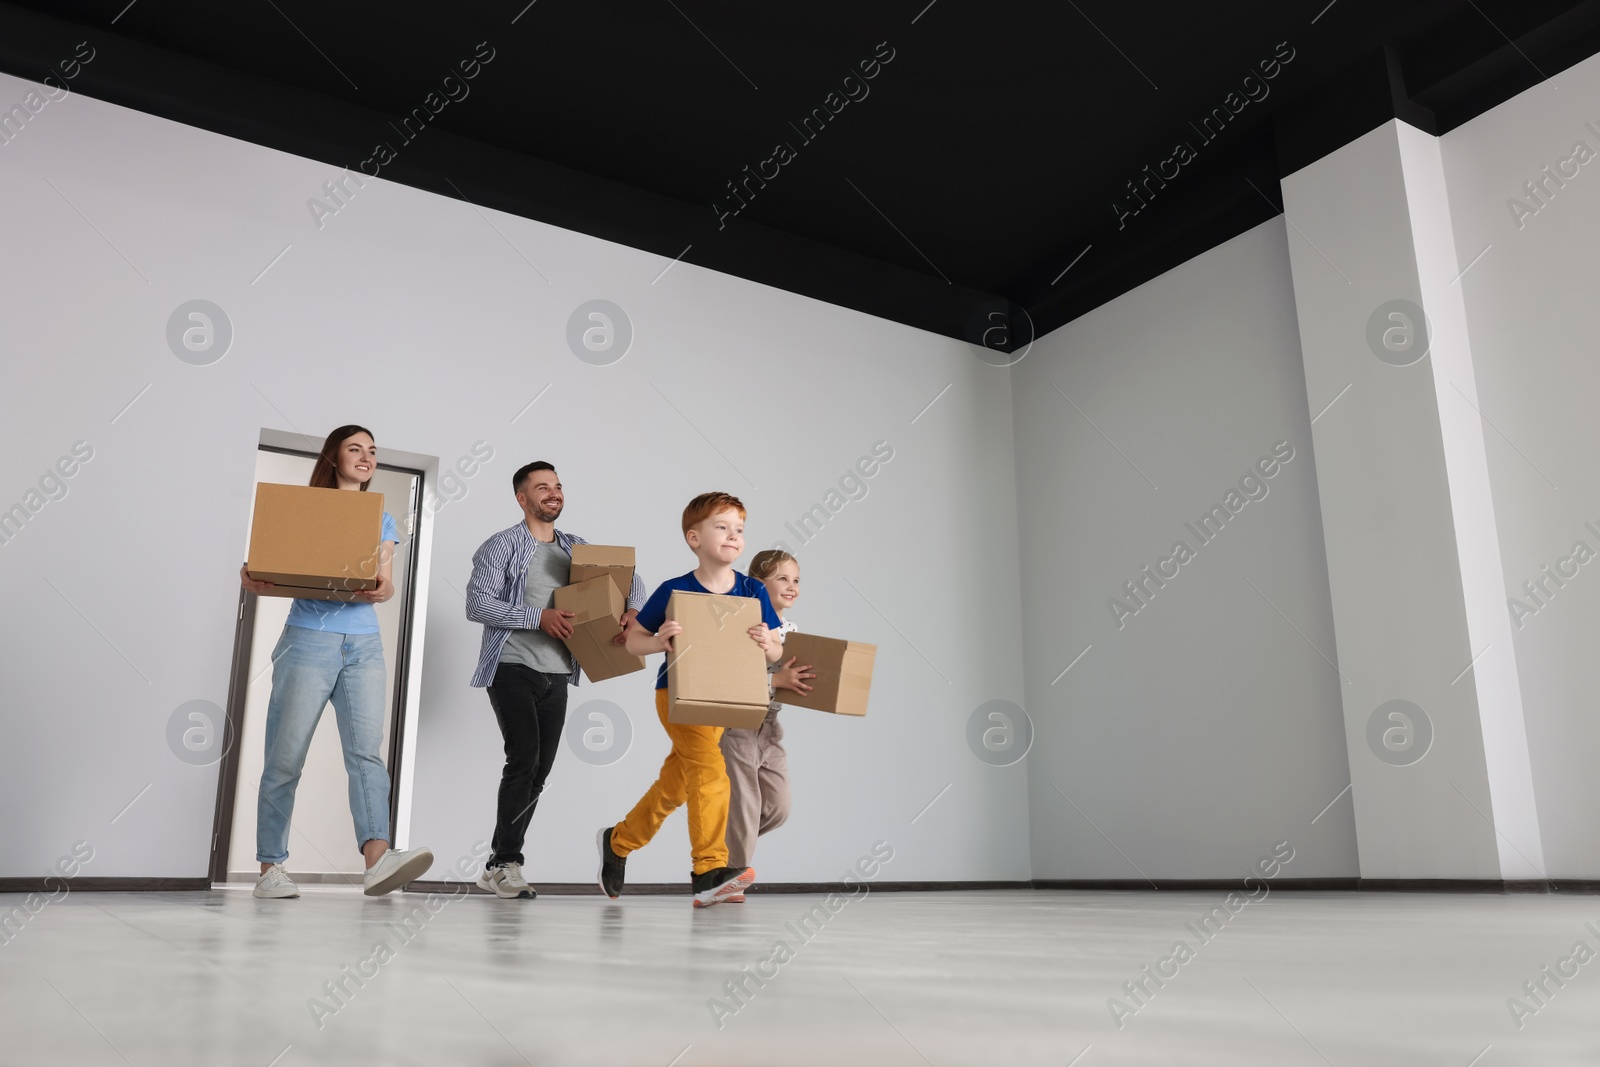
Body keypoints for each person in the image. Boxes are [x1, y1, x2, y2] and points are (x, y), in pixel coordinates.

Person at [239, 424, 434, 899]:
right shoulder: (300, 512)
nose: (366, 457)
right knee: (285, 758)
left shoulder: (381, 518)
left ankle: (377, 860)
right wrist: (255, 577)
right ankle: (270, 869)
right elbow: (262, 565)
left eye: (372, 451)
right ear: (333, 457)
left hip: (364, 645)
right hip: (308, 641)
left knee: (366, 755)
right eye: (355, 449)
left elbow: (385, 585)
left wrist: (379, 587)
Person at [465, 461, 646, 899]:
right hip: (511, 666)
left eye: (558, 486)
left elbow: (631, 579)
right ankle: (508, 862)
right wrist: (537, 617)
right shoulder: (501, 545)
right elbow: (477, 605)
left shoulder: (577, 548)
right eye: (542, 487)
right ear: (522, 498)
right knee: (523, 759)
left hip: (560, 672)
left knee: (540, 772)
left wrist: (634, 607)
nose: (554, 493)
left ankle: (496, 864)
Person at [596, 492, 783, 908]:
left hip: (724, 699)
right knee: (712, 772)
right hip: (677, 696)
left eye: (739, 530)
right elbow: (633, 642)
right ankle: (708, 871)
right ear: (694, 538)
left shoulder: (753, 589)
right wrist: (659, 640)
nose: (733, 536)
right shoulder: (674, 589)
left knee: (676, 785)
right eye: (722, 527)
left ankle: (619, 841)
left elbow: (775, 651)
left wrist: (764, 643)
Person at [718, 549, 814, 901]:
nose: (792, 586)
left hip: (770, 725)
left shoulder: (790, 630)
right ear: (759, 584)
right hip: (738, 721)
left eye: (796, 580)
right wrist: (777, 682)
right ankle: (729, 879)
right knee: (744, 805)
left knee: (777, 806)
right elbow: (730, 678)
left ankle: (717, 854)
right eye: (782, 578)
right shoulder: (747, 623)